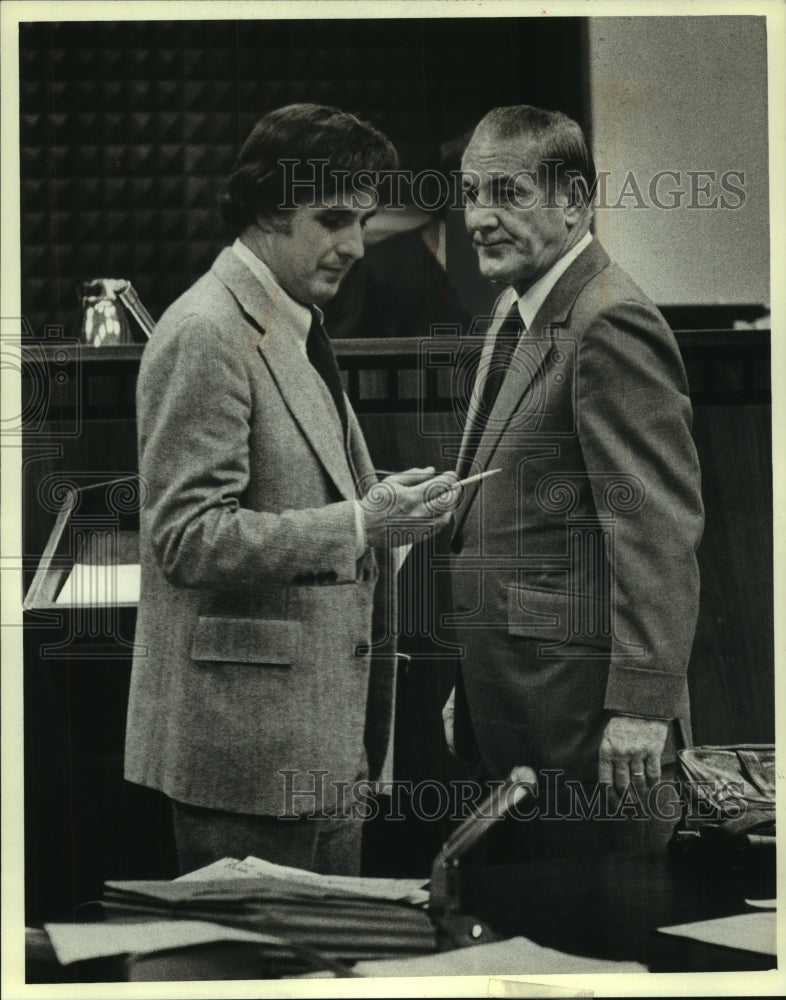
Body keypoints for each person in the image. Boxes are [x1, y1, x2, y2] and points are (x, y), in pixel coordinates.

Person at [124, 103, 459, 876]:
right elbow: (187, 538)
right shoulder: (209, 329)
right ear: (265, 208)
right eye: (333, 218)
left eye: (363, 221)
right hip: (253, 759)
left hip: (310, 744)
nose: (354, 245)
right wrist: (358, 523)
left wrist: (380, 510)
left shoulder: (287, 318)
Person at [443, 105, 704, 857]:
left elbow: (657, 532)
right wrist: (474, 677)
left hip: (593, 731)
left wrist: (642, 709)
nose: (480, 219)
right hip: (520, 709)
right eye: (470, 193)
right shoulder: (513, 309)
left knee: (606, 952)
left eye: (507, 193)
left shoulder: (610, 322)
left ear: (575, 202)